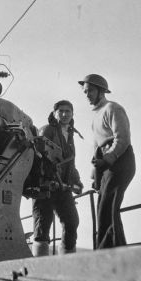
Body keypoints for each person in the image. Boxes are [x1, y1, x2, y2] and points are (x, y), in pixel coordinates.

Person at [78, 74, 136, 249]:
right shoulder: (95, 116)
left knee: (107, 207)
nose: (87, 95)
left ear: (101, 91)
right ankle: (116, 250)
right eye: (85, 92)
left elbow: (123, 139)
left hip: (120, 161)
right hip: (105, 165)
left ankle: (107, 252)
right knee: (104, 207)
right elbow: (96, 148)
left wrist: (108, 159)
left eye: (90, 91)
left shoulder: (112, 108)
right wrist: (95, 177)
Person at [32, 100, 84, 256]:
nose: (64, 114)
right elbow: (40, 155)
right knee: (42, 227)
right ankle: (40, 268)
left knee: (72, 221)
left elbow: (70, 162)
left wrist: (77, 181)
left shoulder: (70, 135)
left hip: (64, 188)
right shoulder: (46, 130)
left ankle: (66, 263)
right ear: (54, 113)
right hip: (46, 186)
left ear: (72, 114)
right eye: (61, 111)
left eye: (68, 111)